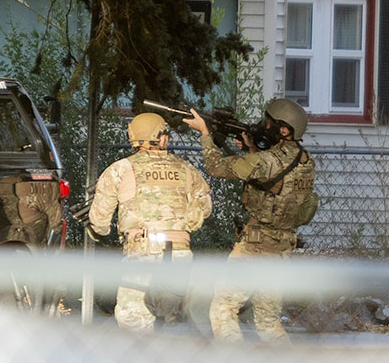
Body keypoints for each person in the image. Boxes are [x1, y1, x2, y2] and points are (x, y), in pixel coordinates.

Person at [183, 98, 317, 342]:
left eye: (268, 123)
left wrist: (204, 132)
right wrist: (253, 149)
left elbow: (215, 167)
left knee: (223, 309)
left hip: (256, 246)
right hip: (281, 246)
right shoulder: (306, 161)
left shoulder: (265, 161)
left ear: (283, 130)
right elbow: (273, 182)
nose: (262, 126)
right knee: (268, 323)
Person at [88, 113, 212, 332]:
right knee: (174, 321)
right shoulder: (187, 170)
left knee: (133, 319)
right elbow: (205, 210)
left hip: (142, 254)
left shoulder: (120, 169)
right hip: (180, 255)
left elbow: (99, 221)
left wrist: (98, 231)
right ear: (161, 138)